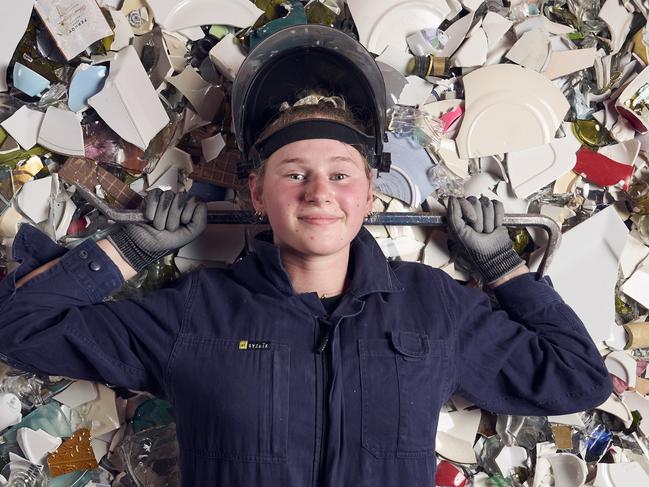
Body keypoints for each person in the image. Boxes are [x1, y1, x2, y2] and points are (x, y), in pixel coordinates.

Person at [0, 25, 610, 487]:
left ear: (369, 196)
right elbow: (17, 327)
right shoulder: (195, 315)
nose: (320, 192)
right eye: (294, 173)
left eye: (340, 175)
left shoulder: (434, 308)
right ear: (258, 194)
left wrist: (504, 267)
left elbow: (577, 379)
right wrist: (125, 248)